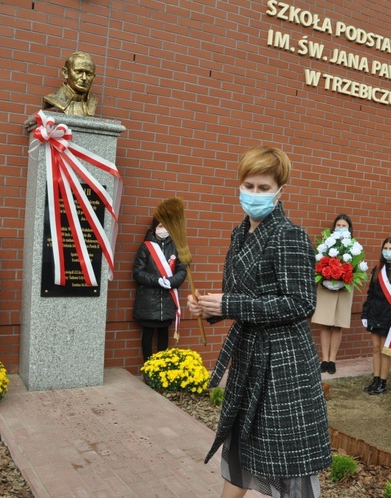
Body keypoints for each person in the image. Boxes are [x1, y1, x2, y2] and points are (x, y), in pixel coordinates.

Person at [187, 146, 331, 498]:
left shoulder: (289, 235)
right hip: (250, 358)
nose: (254, 194)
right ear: (239, 185)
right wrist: (211, 307)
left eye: (263, 188)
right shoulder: (240, 235)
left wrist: (230, 303)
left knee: (289, 461)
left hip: (283, 363)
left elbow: (300, 303)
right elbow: (237, 296)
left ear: (281, 190)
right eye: (249, 185)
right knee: (241, 446)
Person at [132, 216, 187, 362]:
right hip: (148, 300)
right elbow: (138, 273)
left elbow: (182, 271)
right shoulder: (146, 246)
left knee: (163, 334)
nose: (164, 229)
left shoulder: (176, 246)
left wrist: (170, 281)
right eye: (161, 226)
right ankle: (148, 368)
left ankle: (161, 368)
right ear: (155, 227)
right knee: (148, 334)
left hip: (167, 299)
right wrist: (156, 280)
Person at [361, 236, 391, 395]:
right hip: (375, 313)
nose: (388, 252)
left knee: (385, 349)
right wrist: (365, 314)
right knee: (375, 348)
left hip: (390, 315)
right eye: (385, 248)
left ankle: (383, 382)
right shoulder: (377, 268)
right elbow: (371, 293)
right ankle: (376, 378)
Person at [311, 214, 355, 375]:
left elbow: (356, 268)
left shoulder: (354, 245)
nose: (341, 228)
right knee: (325, 323)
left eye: (344, 226)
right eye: (339, 225)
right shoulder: (325, 245)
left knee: (337, 324)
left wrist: (346, 277)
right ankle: (324, 359)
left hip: (344, 288)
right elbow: (319, 263)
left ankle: (332, 360)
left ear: (349, 228)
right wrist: (326, 276)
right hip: (326, 286)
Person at [43, 51, 97, 116]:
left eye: (89, 74)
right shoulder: (52, 99)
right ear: (66, 73)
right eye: (78, 72)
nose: (84, 78)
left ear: (93, 77)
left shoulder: (93, 102)